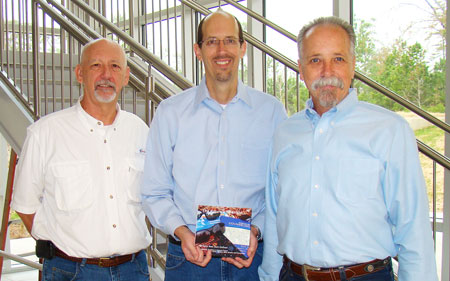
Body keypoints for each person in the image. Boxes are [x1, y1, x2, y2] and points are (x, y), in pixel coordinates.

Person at [258, 16, 438, 281]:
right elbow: (274, 220)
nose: (327, 71)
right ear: (300, 67)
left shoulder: (389, 130)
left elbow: (413, 229)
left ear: (353, 65)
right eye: (315, 60)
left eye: (338, 59)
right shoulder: (285, 133)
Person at [141, 10, 287, 281]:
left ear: (243, 47)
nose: (222, 50)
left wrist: (255, 231)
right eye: (212, 41)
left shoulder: (271, 112)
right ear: (198, 50)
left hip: (252, 259)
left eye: (230, 40)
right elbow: (154, 192)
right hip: (188, 261)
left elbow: (280, 191)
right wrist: (182, 232)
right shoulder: (171, 113)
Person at [11, 38, 151, 281]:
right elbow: (25, 206)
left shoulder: (140, 131)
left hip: (133, 270)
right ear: (79, 74)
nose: (106, 75)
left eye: (115, 67)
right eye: (96, 65)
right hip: (72, 271)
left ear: (126, 77)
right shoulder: (45, 133)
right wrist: (63, 246)